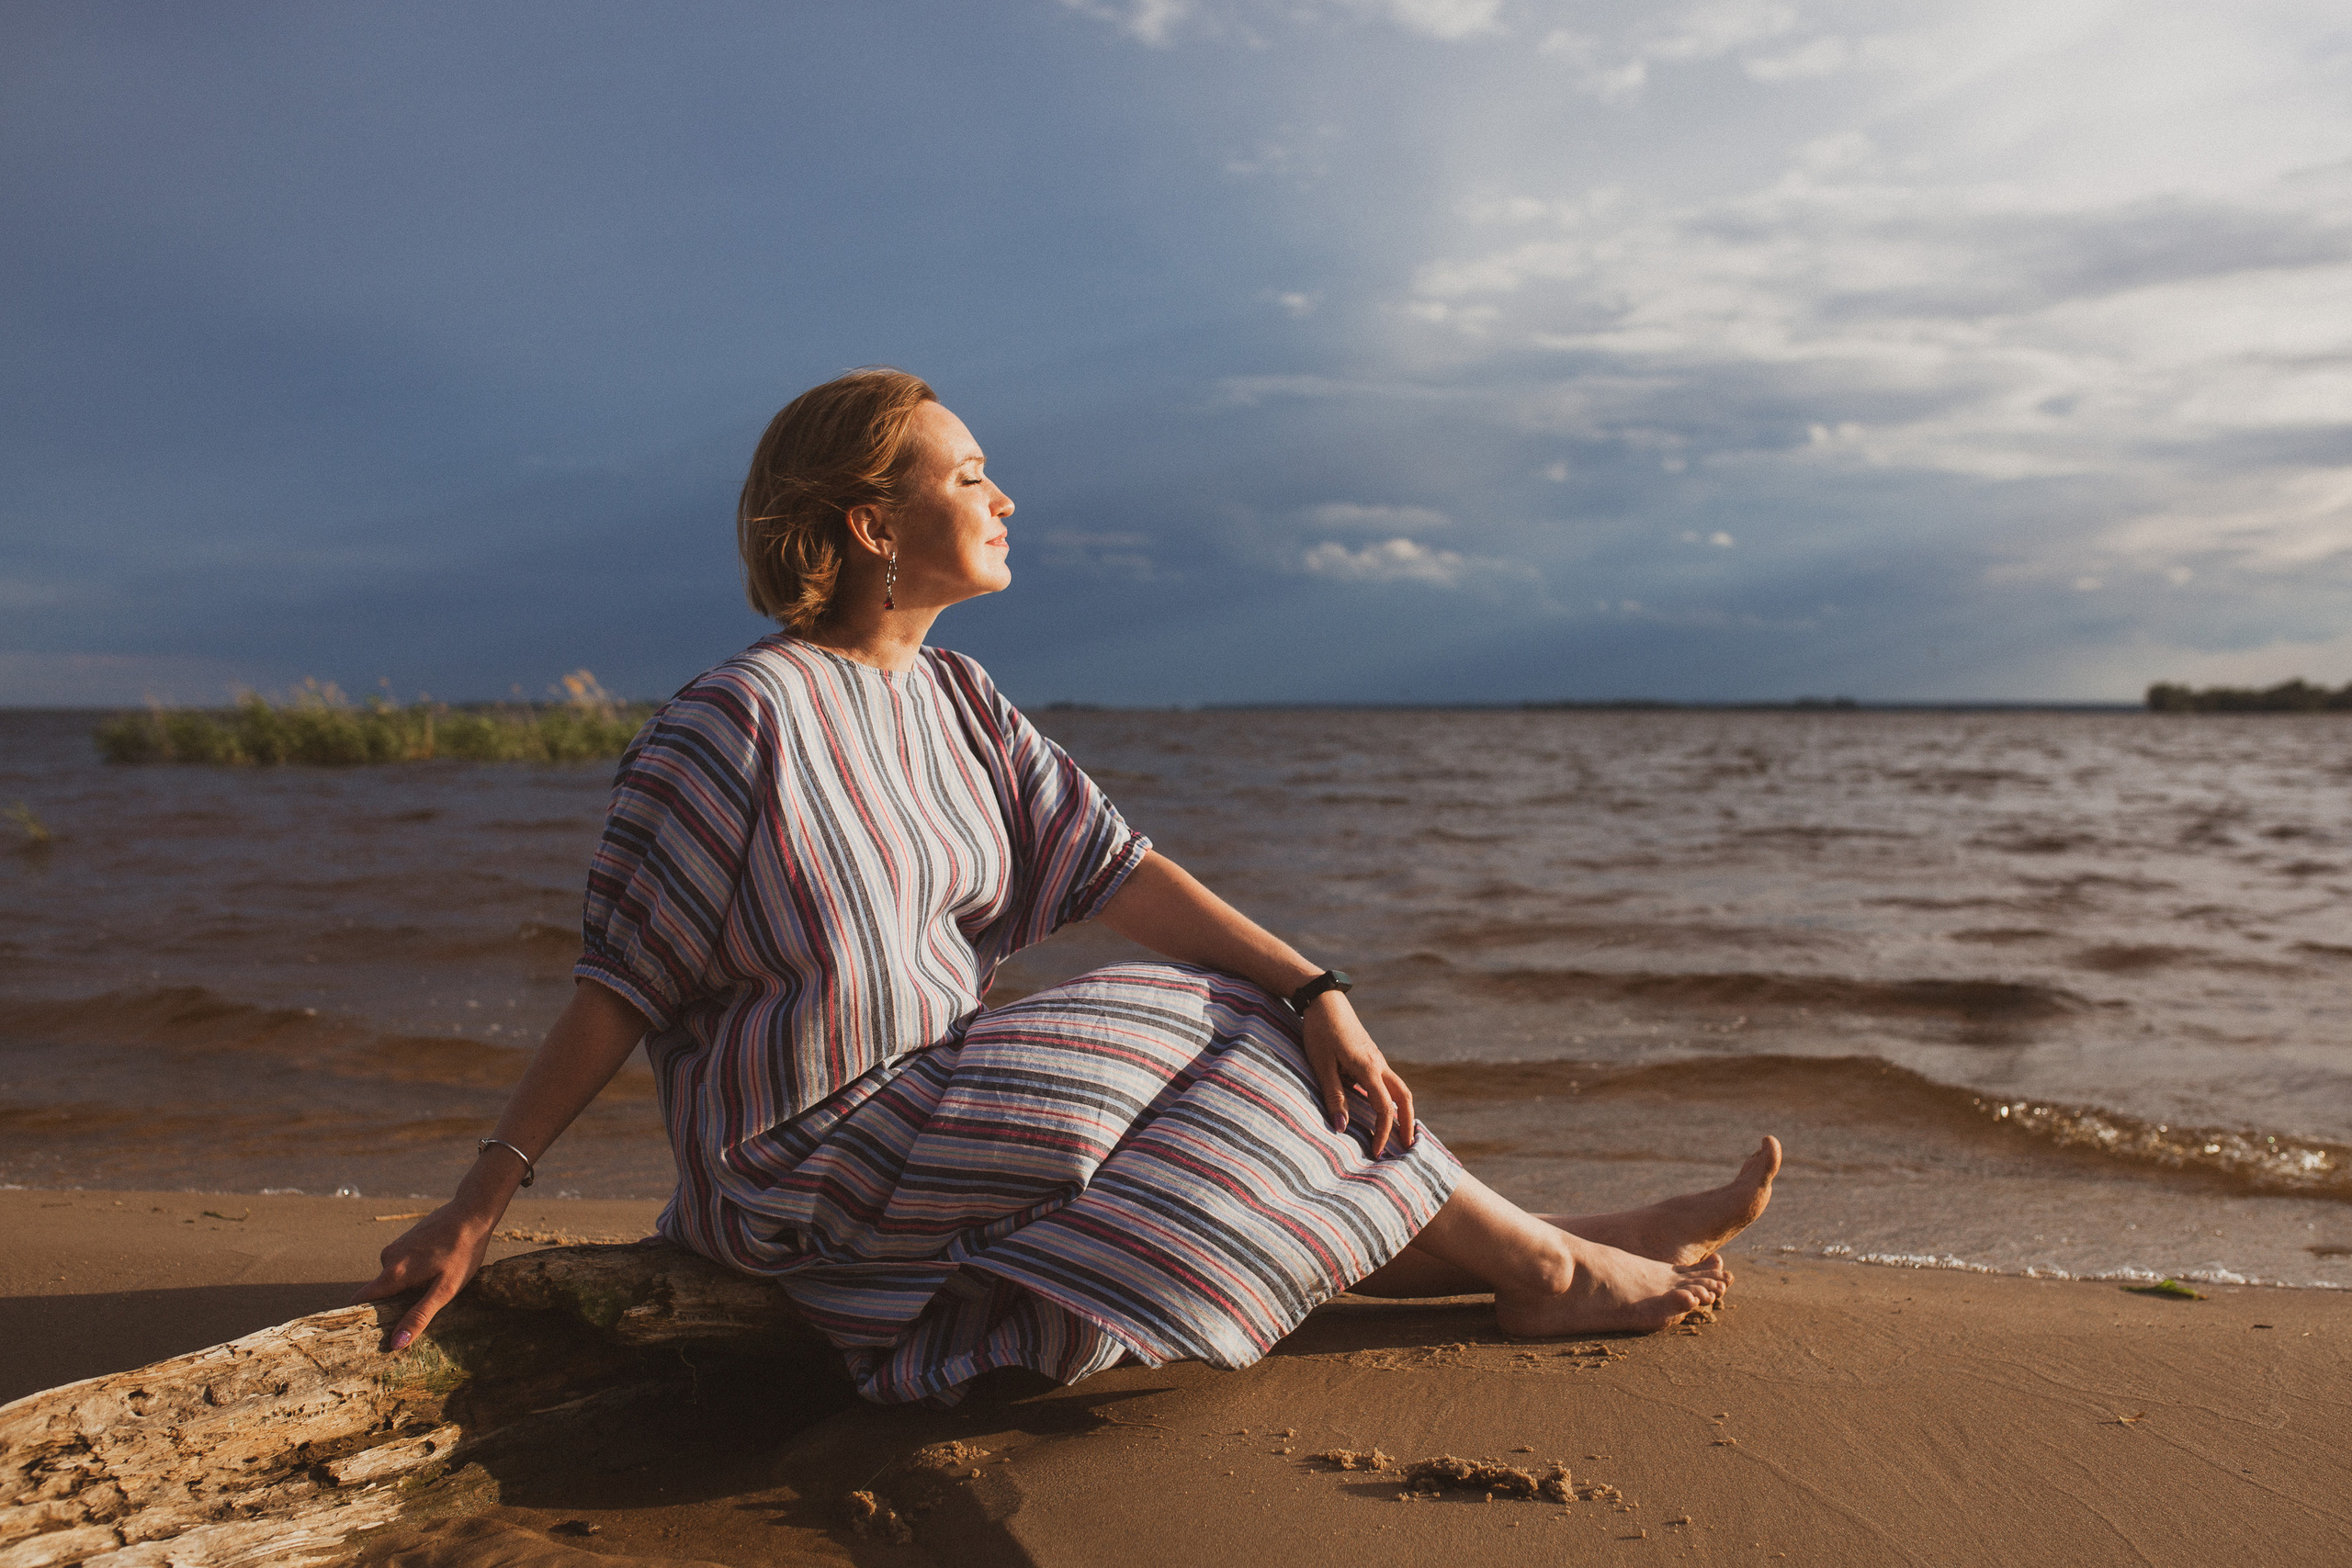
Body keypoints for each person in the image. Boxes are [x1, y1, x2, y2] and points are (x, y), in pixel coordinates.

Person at [358, 367, 1779, 1405]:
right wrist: (476, 1208)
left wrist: (1322, 990)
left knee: (1234, 1113)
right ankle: (1556, 1270)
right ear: (869, 521)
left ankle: (1568, 1249)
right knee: (1210, 1020)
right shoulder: (739, 719)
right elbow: (620, 983)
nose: (1004, 496)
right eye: (968, 474)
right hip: (803, 1164)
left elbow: (1124, 871)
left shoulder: (960, 699)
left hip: (936, 1121)